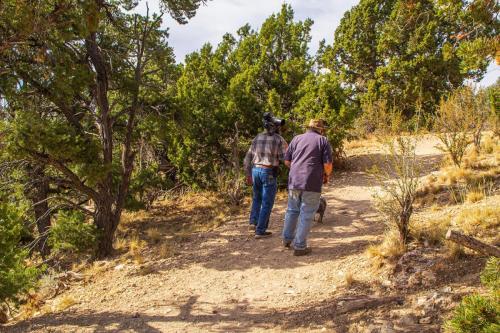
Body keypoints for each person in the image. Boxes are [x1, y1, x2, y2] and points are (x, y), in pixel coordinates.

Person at [282, 119, 333, 256]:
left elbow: (287, 161)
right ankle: (299, 246)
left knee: (292, 210)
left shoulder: (296, 139)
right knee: (307, 213)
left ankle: (286, 239)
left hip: (294, 181)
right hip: (312, 182)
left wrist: (296, 170)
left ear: (308, 128)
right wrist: (326, 175)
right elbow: (327, 164)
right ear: (321, 129)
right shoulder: (323, 141)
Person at [244, 113, 288, 239]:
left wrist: (248, 174)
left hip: (255, 170)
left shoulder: (257, 137)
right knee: (267, 202)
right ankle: (260, 230)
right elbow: (284, 158)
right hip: (268, 171)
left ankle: (253, 222)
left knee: (257, 198)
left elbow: (247, 158)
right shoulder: (278, 139)